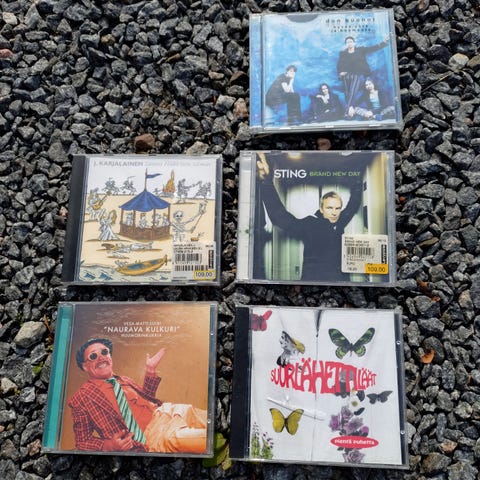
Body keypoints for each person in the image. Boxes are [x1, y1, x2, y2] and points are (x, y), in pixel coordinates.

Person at [69, 338, 207, 453]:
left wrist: (150, 370)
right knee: (208, 440)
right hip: (157, 436)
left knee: (213, 421)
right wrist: (110, 445)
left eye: (104, 352)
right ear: (85, 366)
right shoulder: (81, 398)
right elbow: (82, 441)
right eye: (93, 356)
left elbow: (146, 398)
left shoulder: (124, 380)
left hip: (168, 411)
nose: (101, 357)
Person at [256, 154, 363, 282]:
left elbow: (353, 205)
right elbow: (281, 218)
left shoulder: (340, 222)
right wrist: (266, 182)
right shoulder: (310, 223)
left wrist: (357, 176)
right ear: (321, 209)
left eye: (337, 208)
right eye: (329, 208)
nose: (334, 212)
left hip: (340, 282)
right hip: (314, 282)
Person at [337, 35, 390, 115]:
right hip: (349, 75)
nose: (349, 43)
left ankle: (348, 110)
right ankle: (350, 110)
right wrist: (340, 72)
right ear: (345, 44)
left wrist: (384, 42)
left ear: (354, 43)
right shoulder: (343, 53)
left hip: (361, 75)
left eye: (351, 42)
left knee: (352, 87)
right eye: (347, 42)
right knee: (347, 91)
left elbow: (373, 48)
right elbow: (339, 65)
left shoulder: (360, 50)